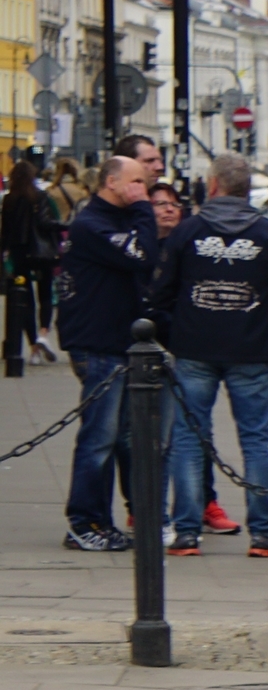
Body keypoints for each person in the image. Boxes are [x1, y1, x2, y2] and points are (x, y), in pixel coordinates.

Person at [154, 152, 268, 557]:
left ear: (213, 186)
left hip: (195, 348)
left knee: (187, 438)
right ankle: (264, 533)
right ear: (246, 188)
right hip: (251, 350)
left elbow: (161, 294)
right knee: (256, 441)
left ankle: (186, 532)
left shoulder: (187, 233)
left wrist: (181, 327)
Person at [55, 155, 159, 551]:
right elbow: (142, 255)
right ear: (111, 182)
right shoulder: (92, 225)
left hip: (118, 343)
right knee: (99, 438)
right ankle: (84, 522)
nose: (142, 189)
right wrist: (144, 210)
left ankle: (102, 520)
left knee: (118, 438)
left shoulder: (118, 221)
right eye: (135, 181)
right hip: (99, 345)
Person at [2, 159, 61, 362]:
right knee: (45, 295)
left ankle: (33, 346)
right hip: (41, 253)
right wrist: (64, 226)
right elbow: (46, 222)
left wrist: (5, 254)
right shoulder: (39, 196)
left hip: (20, 255)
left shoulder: (8, 200)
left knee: (24, 301)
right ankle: (44, 334)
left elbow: (5, 232)